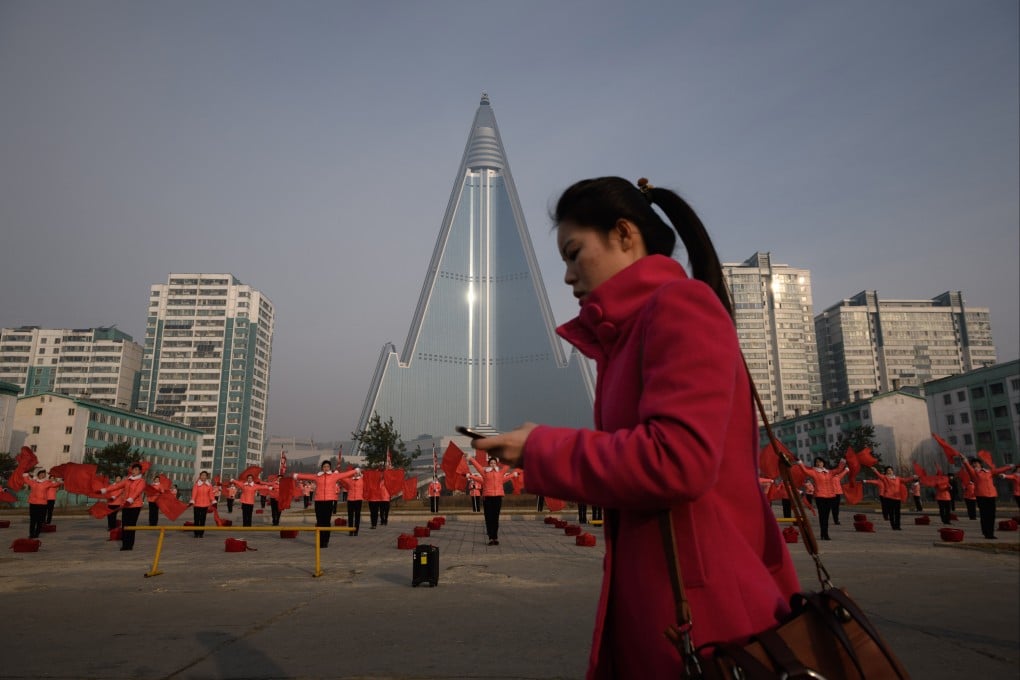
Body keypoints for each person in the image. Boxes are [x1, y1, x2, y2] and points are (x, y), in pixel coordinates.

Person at [474, 176, 799, 676]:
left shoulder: (680, 307)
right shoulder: (625, 338)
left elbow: (677, 460)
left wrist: (540, 448)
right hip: (663, 604)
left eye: (574, 252)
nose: (567, 275)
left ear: (625, 235)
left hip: (706, 616)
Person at [466, 456, 517, 546]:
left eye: (494, 463)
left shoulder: (500, 473)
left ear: (496, 464)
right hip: (488, 497)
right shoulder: (485, 473)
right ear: (488, 464)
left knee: (495, 518)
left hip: (497, 497)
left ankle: (495, 537)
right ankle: (490, 537)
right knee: (489, 518)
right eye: (491, 463)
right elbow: (477, 466)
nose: (492, 464)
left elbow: (506, 468)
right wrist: (471, 459)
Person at [295, 461, 347, 547]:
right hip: (319, 501)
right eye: (324, 466)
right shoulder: (317, 476)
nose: (326, 468)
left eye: (327, 466)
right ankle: (319, 541)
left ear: (330, 468)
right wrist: (297, 475)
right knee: (319, 522)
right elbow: (307, 476)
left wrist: (355, 471)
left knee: (326, 522)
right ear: (322, 468)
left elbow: (345, 474)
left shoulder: (334, 476)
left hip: (329, 501)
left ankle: (325, 541)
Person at [960, 456, 1013, 539]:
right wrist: (965, 461)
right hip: (981, 496)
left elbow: (998, 470)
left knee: (991, 515)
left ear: (980, 464)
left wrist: (1009, 466)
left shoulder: (989, 472)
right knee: (984, 515)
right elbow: (968, 467)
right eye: (973, 464)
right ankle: (986, 533)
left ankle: (990, 533)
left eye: (976, 463)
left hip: (991, 495)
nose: (974, 465)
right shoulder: (973, 472)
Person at [797, 457, 847, 540]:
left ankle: (825, 533)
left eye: (820, 462)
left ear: (823, 463)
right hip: (820, 496)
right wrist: (799, 462)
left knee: (826, 516)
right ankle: (823, 533)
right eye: (816, 462)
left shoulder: (830, 472)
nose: (818, 463)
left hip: (830, 496)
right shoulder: (814, 472)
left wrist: (843, 461)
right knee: (822, 516)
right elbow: (804, 470)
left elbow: (838, 470)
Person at [100, 463, 146, 550]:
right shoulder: (127, 480)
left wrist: (131, 499)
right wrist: (105, 490)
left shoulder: (141, 481)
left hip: (135, 506)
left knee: (131, 525)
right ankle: (125, 544)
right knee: (125, 524)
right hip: (126, 505)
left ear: (140, 471)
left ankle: (129, 545)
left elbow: (137, 492)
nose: (134, 471)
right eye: (133, 469)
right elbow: (117, 486)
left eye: (136, 470)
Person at [864, 466, 914, 531]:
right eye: (888, 470)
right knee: (891, 513)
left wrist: (913, 477)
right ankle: (893, 526)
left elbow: (905, 480)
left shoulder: (897, 478)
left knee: (897, 513)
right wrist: (875, 470)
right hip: (889, 497)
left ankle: (898, 526)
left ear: (893, 471)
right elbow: (879, 476)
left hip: (897, 498)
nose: (889, 471)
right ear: (886, 472)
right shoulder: (885, 478)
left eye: (891, 470)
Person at [24, 469, 62, 539]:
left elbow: (56, 484)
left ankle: (37, 533)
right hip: (33, 503)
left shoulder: (47, 482)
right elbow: (26, 480)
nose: (42, 475)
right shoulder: (33, 482)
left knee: (40, 520)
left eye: (44, 474)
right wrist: (25, 472)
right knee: (33, 520)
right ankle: (31, 534)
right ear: (38, 474)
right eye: (41, 474)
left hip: (42, 504)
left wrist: (58, 480)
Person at [189, 471, 216, 537]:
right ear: (200, 476)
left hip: (205, 504)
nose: (203, 477)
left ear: (207, 477)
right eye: (202, 475)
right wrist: (192, 500)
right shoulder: (196, 485)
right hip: (197, 504)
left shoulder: (209, 485)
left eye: (205, 475)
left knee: (203, 519)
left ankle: (201, 533)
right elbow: (194, 493)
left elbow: (211, 494)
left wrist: (213, 501)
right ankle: (196, 533)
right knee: (196, 519)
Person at [340, 468, 364, 536]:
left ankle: (356, 531)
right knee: (350, 516)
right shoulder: (349, 480)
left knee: (357, 516)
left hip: (358, 499)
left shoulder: (362, 480)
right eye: (354, 473)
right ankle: (350, 531)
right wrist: (337, 471)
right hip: (350, 499)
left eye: (357, 473)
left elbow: (371, 479)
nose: (356, 474)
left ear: (359, 473)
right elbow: (341, 477)